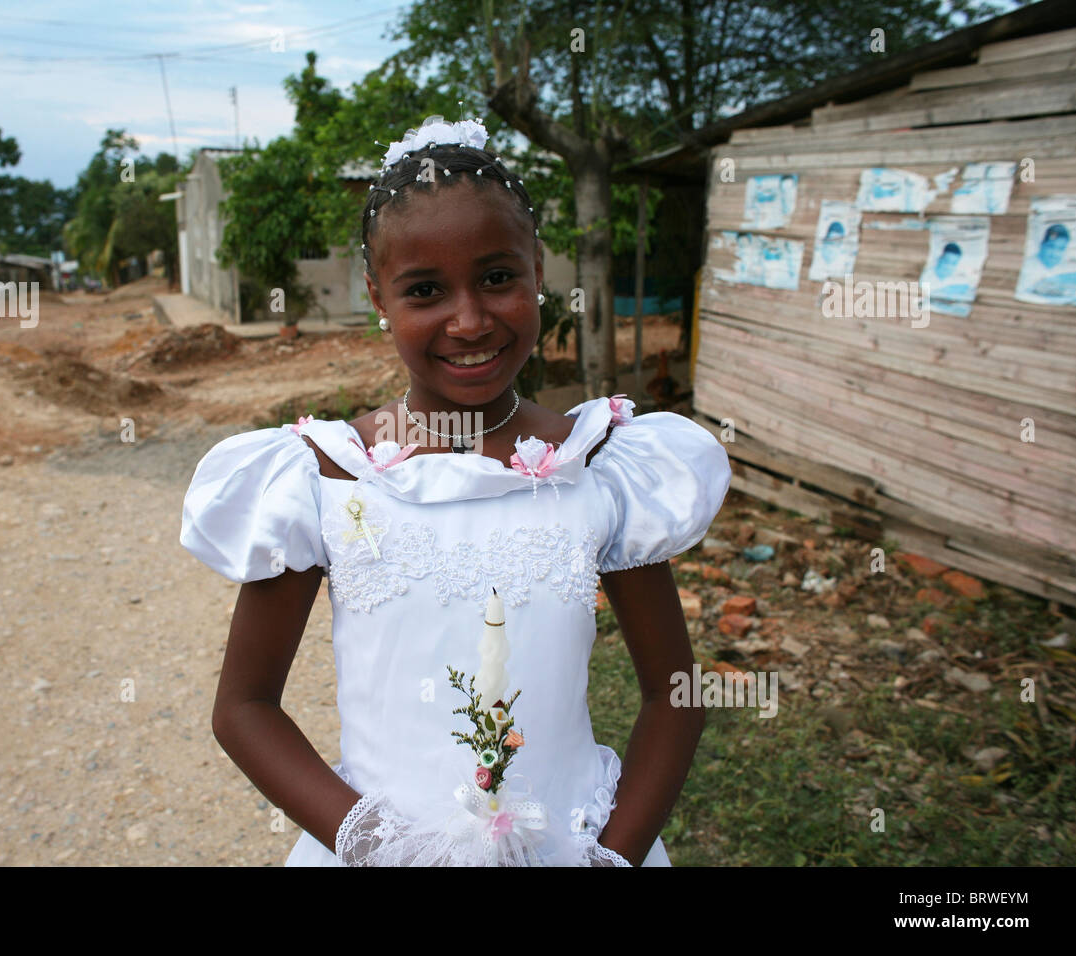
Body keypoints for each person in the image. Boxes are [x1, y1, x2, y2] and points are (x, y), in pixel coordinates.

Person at [180, 115, 732, 867]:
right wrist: (379, 847)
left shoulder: (598, 464)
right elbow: (244, 708)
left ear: (538, 269)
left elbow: (676, 696)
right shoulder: (327, 473)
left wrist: (615, 856)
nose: (469, 320)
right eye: (426, 290)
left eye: (498, 278)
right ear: (377, 294)